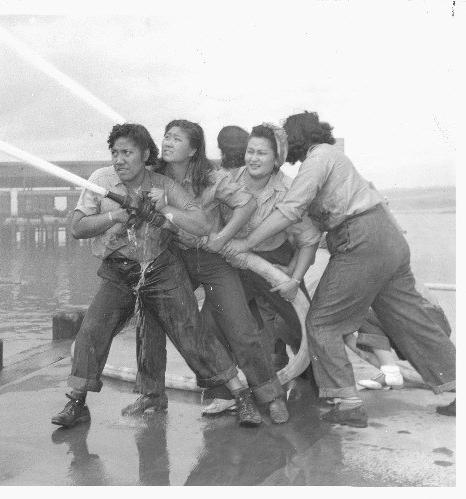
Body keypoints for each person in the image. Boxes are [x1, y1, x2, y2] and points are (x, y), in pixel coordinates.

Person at [222, 111, 456, 427]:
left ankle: (348, 403)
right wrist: (293, 267)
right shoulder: (334, 158)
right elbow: (314, 227)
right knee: (410, 318)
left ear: (295, 140)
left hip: (360, 240)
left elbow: (290, 210)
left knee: (322, 322)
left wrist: (247, 243)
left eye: (283, 142)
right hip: (387, 237)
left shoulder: (317, 160)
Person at [51, 123, 240, 429]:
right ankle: (77, 403)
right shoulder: (101, 180)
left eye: (127, 153)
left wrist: (165, 209)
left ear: (146, 155)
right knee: (92, 330)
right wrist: (116, 215)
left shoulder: (165, 185)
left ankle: (240, 395)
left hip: (160, 267)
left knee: (190, 331)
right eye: (115, 153)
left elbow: (201, 223)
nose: (119, 160)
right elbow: (76, 228)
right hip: (118, 271)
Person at [126, 119, 289, 425]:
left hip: (210, 259)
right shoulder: (155, 176)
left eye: (176, 138)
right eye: (166, 137)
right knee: (148, 315)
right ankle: (152, 393)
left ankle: (271, 396)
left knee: (239, 326)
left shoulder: (212, 177)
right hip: (172, 256)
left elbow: (247, 204)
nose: (167, 142)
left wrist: (222, 238)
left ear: (193, 149)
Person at [202, 123, 321, 415]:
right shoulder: (227, 180)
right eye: (250, 151)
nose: (254, 158)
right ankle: (225, 393)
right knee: (209, 322)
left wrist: (294, 279)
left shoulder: (291, 189)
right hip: (233, 263)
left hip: (276, 261)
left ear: (277, 158)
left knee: (306, 328)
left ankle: (321, 382)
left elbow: (309, 239)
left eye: (262, 153)